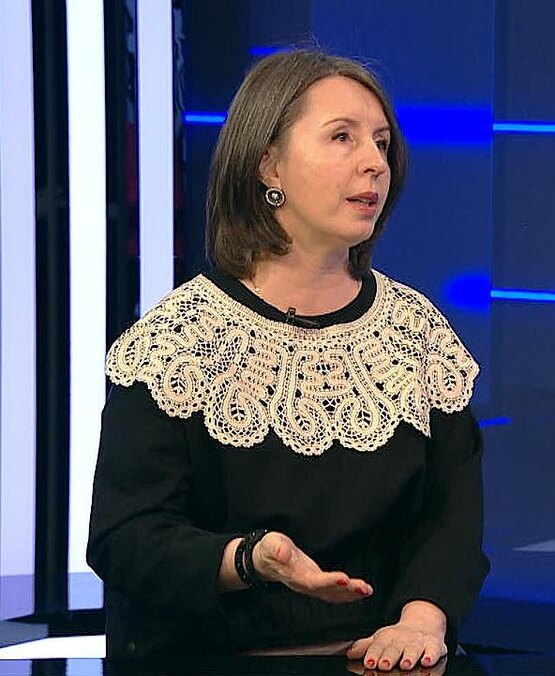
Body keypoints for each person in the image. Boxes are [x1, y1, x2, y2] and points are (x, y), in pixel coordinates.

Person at [87, 49, 489, 671]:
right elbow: (125, 537)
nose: (374, 163)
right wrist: (251, 559)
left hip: (383, 662)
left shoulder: (416, 333)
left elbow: (451, 521)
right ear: (267, 164)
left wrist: (421, 620)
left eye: (382, 143)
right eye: (342, 137)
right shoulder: (180, 340)